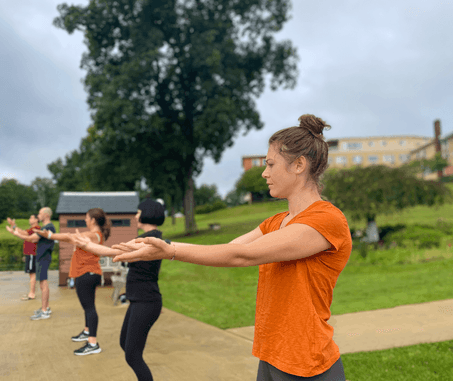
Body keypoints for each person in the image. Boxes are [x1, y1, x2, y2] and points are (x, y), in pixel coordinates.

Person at [110, 115, 352, 381]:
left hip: (307, 363)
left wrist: (170, 250)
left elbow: (242, 255)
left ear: (299, 165)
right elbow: (230, 248)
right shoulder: (275, 222)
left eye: (270, 164)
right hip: (272, 355)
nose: (264, 173)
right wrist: (161, 247)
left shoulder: (326, 220)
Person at [75, 199, 166, 380]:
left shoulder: (153, 240)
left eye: (139, 212)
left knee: (132, 355)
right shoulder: (147, 238)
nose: (135, 216)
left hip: (147, 302)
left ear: (148, 214)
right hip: (138, 300)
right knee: (125, 344)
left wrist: (86, 245)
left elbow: (113, 252)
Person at [34, 207, 111, 356]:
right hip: (89, 273)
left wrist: (49, 235)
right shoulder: (96, 234)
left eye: (87, 218)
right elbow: (71, 238)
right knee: (88, 306)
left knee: (89, 308)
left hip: (86, 273)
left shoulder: (92, 234)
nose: (85, 220)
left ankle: (93, 343)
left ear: (93, 220)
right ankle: (87, 331)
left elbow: (70, 237)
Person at [7, 207, 55, 320]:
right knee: (42, 284)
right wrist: (15, 228)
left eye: (39, 213)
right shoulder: (45, 227)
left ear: (46, 215)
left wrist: (14, 233)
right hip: (41, 257)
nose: (38, 215)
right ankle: (45, 308)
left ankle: (44, 311)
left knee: (43, 284)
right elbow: (32, 238)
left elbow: (30, 238)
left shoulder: (48, 227)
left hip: (43, 257)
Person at [6, 215, 41, 301]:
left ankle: (32, 294)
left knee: (32, 274)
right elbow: (22, 232)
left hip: (32, 253)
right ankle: (32, 292)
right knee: (31, 274)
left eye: (31, 218)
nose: (29, 219)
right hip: (30, 254)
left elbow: (23, 233)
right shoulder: (32, 228)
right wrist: (14, 227)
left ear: (36, 219)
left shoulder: (36, 228)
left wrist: (14, 226)